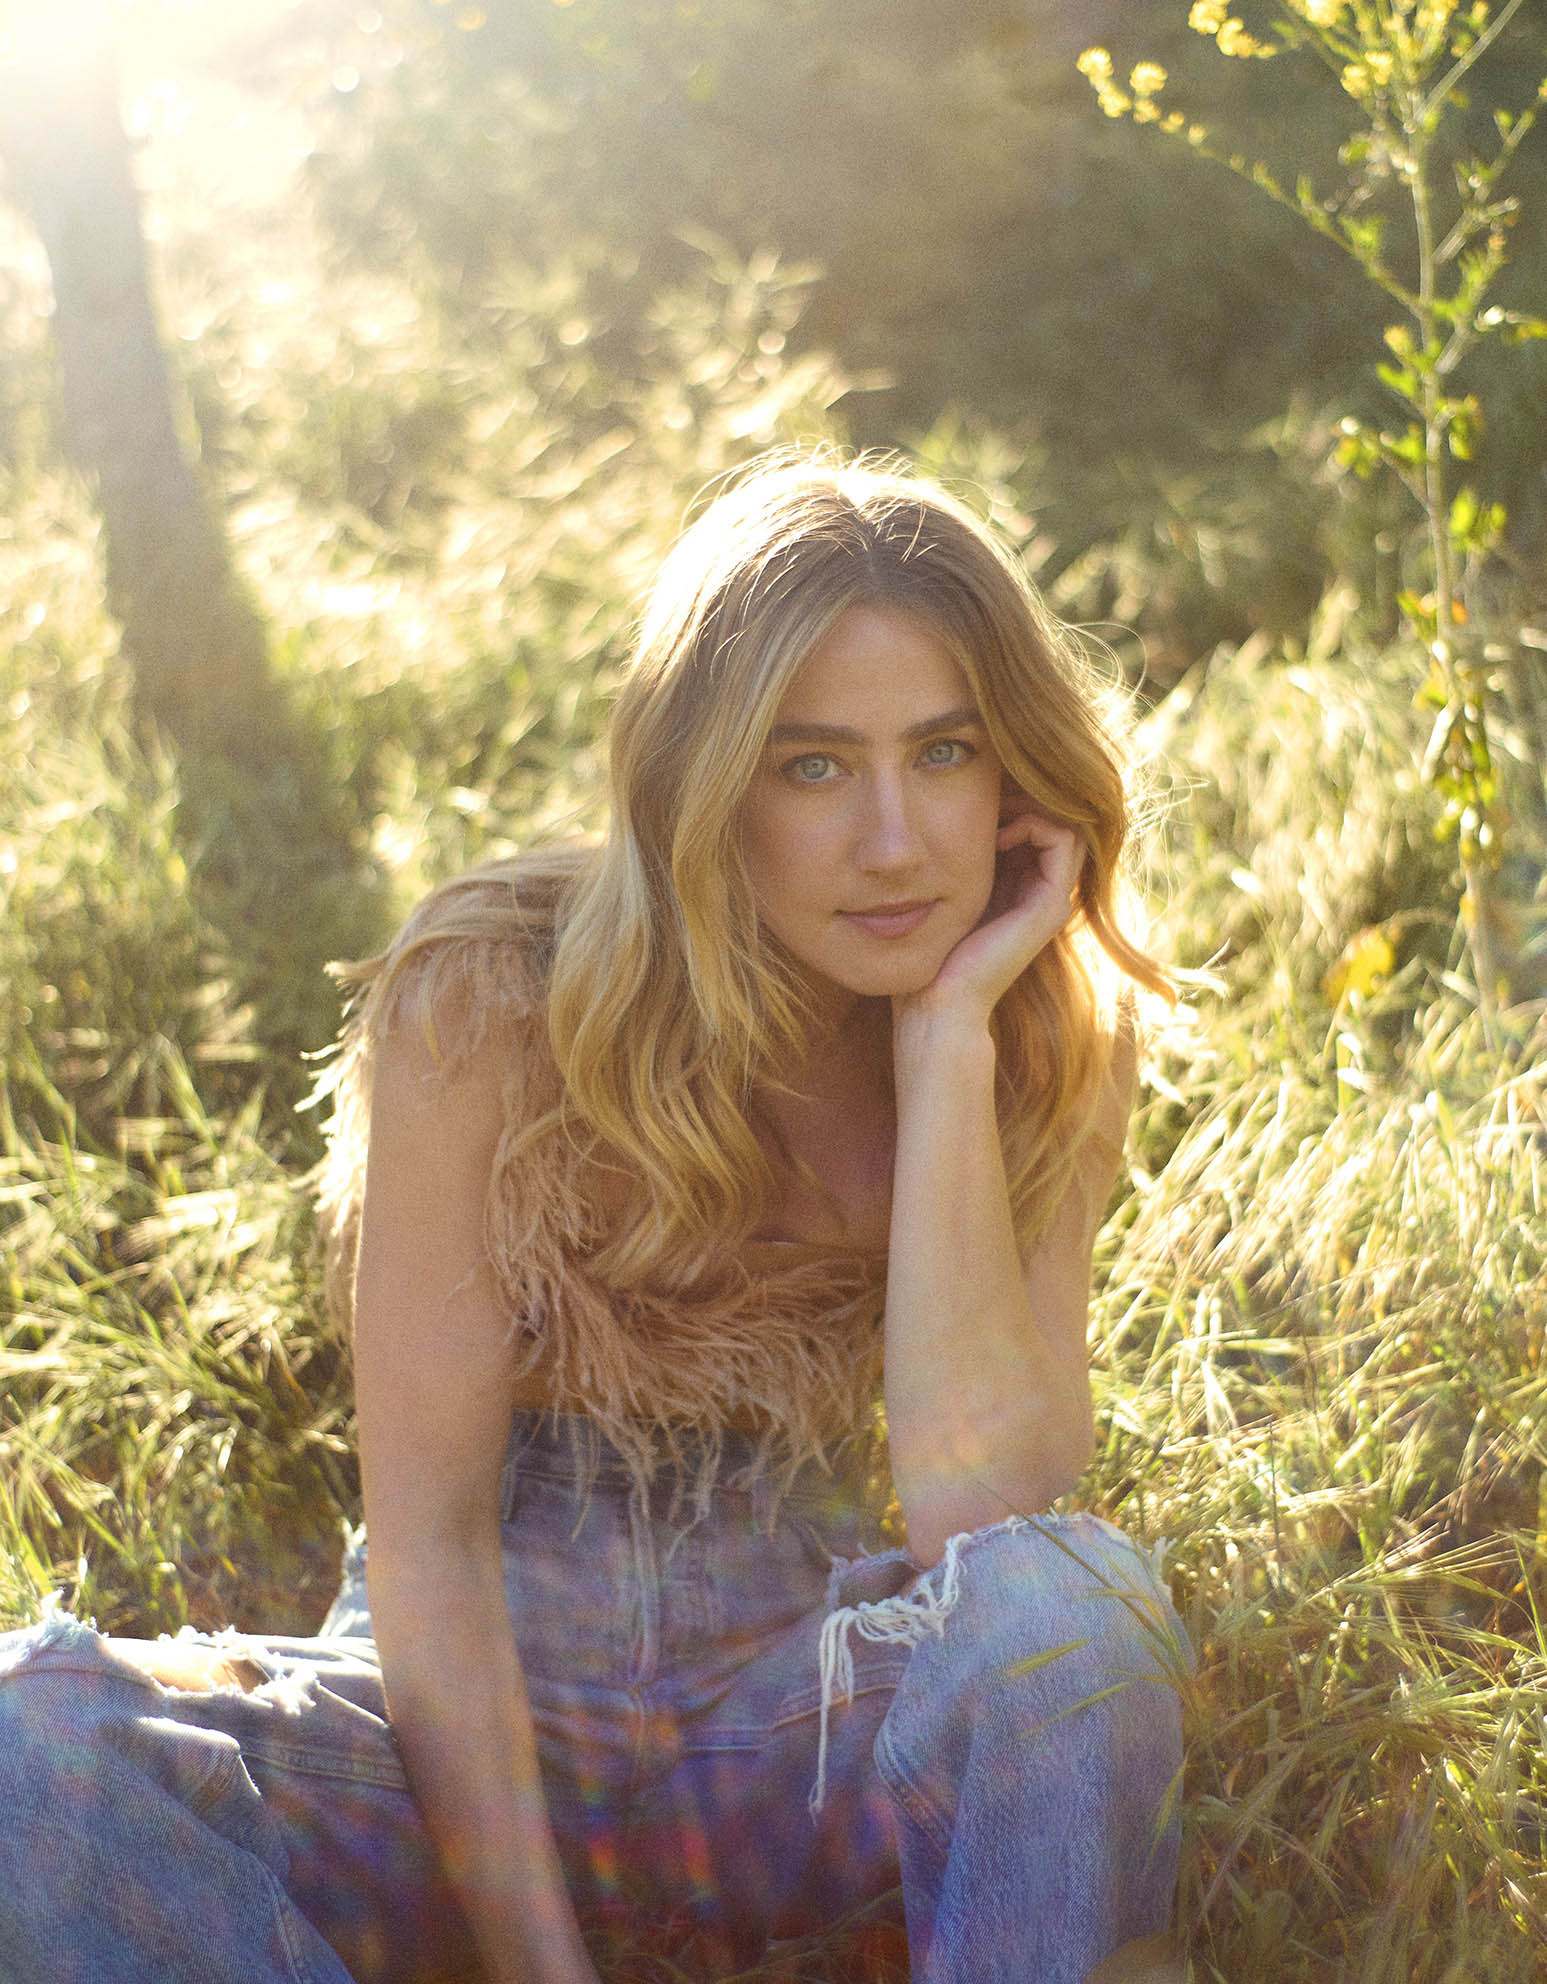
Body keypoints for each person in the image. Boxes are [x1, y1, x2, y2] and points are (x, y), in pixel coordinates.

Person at [0, 453, 1189, 1984]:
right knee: (33, 1739)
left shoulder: (1041, 1041)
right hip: (443, 1757)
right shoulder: (490, 993)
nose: (893, 839)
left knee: (1070, 1613)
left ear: (1014, 771)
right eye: (812, 765)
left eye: (944, 752)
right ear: (704, 782)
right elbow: (428, 1542)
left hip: (772, 1734)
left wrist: (950, 1045)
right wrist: (540, 1967)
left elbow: (987, 1520)